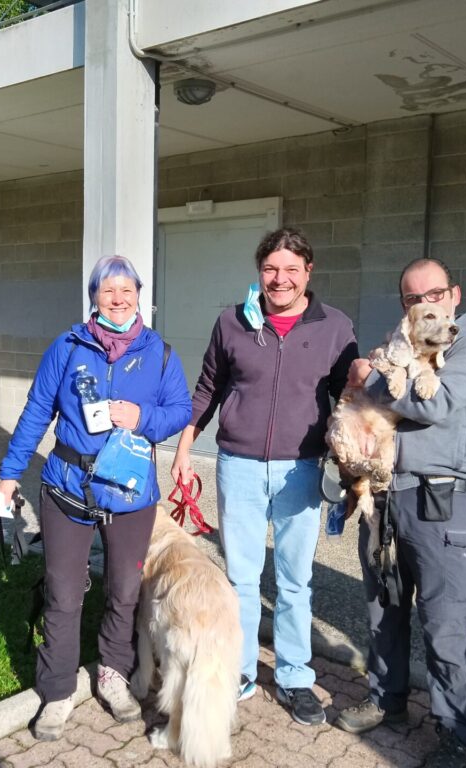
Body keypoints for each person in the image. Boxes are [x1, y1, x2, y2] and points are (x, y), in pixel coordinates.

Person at [0, 255, 191, 742]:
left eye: (127, 290)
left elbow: (181, 411)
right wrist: (8, 474)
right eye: (108, 291)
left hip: (129, 493)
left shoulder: (161, 354)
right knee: (63, 593)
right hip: (66, 488)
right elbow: (37, 410)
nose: (119, 299)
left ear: (139, 295)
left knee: (124, 591)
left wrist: (140, 416)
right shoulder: (67, 346)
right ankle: (58, 691)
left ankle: (113, 674)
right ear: (94, 297)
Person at [170, 227, 358, 727]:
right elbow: (208, 386)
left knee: (295, 582)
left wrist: (354, 457)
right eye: (272, 269)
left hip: (302, 468)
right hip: (240, 466)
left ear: (308, 273)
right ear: (260, 272)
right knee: (241, 578)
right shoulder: (233, 322)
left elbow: (348, 398)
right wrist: (185, 444)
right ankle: (242, 670)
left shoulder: (335, 326)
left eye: (291, 270)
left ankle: (295, 677)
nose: (281, 279)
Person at [335, 258, 466, 768]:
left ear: (454, 293)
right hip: (384, 494)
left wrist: (371, 378)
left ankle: (456, 732)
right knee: (384, 608)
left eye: (433, 293)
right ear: (405, 306)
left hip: (438, 501)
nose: (425, 304)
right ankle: (388, 701)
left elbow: (432, 403)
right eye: (412, 298)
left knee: (445, 623)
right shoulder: (404, 343)